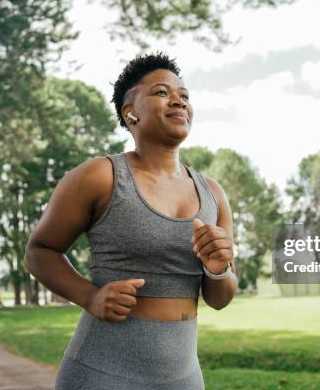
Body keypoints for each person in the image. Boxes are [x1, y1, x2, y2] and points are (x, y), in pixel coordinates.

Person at [24, 52, 238, 389]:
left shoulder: (213, 193)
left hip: (185, 379)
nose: (178, 101)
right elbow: (40, 251)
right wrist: (90, 296)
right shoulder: (100, 176)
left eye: (184, 95)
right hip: (102, 374)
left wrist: (217, 268)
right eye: (161, 92)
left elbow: (220, 298)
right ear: (130, 112)